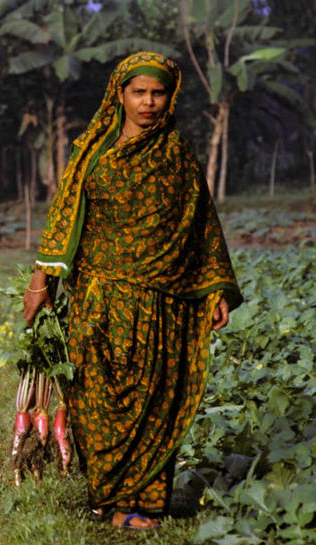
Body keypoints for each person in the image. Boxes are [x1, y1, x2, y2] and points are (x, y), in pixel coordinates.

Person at [22, 52, 242, 530]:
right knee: (96, 397)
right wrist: (41, 280)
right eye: (139, 92)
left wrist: (214, 290)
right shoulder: (92, 150)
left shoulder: (176, 154)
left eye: (158, 92)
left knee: (153, 398)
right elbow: (64, 216)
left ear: (170, 96)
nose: (148, 102)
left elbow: (202, 225)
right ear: (119, 94)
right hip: (98, 297)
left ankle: (140, 503)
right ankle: (107, 493)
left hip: (162, 300)